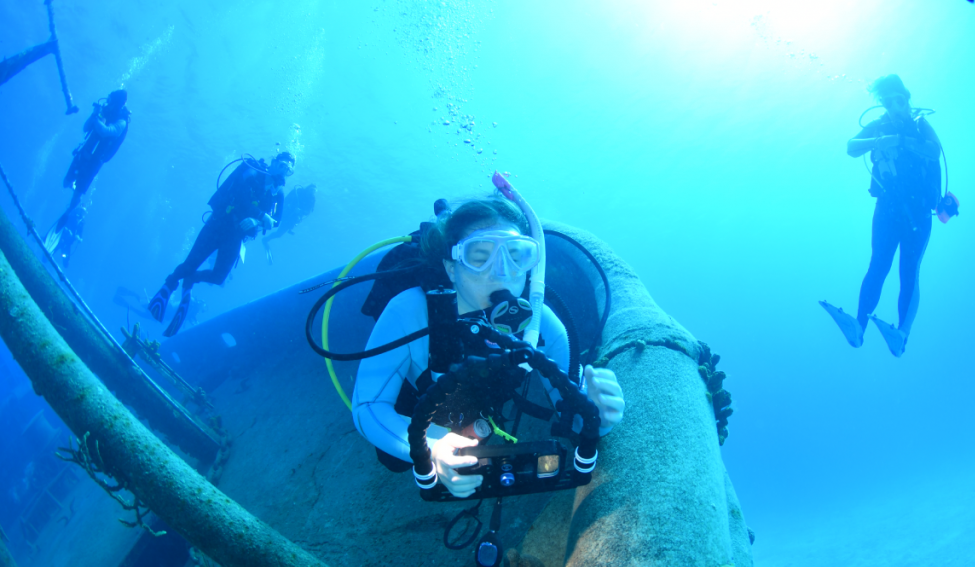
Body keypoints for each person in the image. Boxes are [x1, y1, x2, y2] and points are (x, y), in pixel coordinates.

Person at [351, 196, 625, 498]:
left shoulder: (539, 319)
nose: (502, 271)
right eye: (479, 257)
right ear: (451, 268)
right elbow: (368, 405)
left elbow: (571, 410)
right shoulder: (409, 310)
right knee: (392, 460)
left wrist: (597, 415)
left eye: (516, 256)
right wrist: (427, 449)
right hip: (424, 401)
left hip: (483, 401)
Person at [821, 74, 942, 358]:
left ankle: (902, 335)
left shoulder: (920, 125)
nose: (894, 108)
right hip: (888, 208)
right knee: (878, 264)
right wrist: (879, 139)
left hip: (919, 211)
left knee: (909, 270)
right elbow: (851, 147)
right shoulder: (878, 126)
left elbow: (934, 151)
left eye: (898, 101)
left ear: (907, 99)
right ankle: (859, 326)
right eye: (888, 103)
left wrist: (899, 140)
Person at [147, 152, 295, 337]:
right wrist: (261, 216)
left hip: (236, 236)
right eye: (282, 165)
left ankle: (191, 279)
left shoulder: (278, 193)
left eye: (289, 170)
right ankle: (170, 284)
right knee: (189, 264)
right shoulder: (252, 172)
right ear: (273, 162)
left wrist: (257, 222)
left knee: (218, 278)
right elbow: (241, 198)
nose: (284, 171)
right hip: (217, 225)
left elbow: (277, 221)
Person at [44, 89, 130, 265]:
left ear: (118, 103)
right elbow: (86, 128)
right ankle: (74, 198)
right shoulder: (104, 111)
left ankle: (69, 213)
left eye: (111, 100)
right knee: (66, 183)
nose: (108, 103)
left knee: (77, 195)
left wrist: (98, 116)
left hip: (93, 163)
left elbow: (107, 131)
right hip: (83, 154)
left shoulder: (122, 120)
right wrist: (94, 115)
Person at [261, 183, 317, 264]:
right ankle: (258, 229)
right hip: (285, 212)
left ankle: (265, 239)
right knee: (269, 221)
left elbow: (308, 212)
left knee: (279, 234)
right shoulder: (298, 191)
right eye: (311, 190)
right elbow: (285, 199)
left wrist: (300, 211)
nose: (312, 192)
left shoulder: (312, 199)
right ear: (308, 188)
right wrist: (290, 206)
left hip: (292, 219)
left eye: (314, 191)